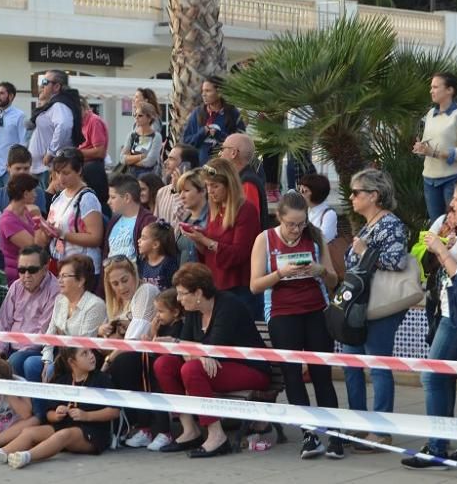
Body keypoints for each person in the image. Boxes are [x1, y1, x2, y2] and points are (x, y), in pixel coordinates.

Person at [401, 174, 457, 470]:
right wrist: (447, 247)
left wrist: (441, 250)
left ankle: (438, 446)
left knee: (433, 376)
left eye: (455, 199)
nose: (451, 203)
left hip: (455, 316)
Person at [249, 191, 343, 460]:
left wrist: (320, 271)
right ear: (279, 218)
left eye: (301, 224)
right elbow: (254, 285)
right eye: (291, 224)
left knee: (322, 374)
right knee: (292, 375)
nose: (296, 230)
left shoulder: (314, 237)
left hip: (315, 309)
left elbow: (333, 281)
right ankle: (309, 435)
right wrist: (280, 273)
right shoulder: (265, 240)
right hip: (281, 311)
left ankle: (336, 435)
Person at [153, 263, 271, 457]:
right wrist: (185, 347)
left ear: (198, 292)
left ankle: (217, 436)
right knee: (163, 364)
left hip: (250, 368)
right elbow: (187, 343)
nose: (178, 299)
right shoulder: (193, 309)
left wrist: (191, 350)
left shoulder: (229, 305)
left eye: (183, 293)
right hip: (214, 364)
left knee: (191, 369)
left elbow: (214, 347)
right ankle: (190, 429)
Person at [341, 168, 410, 450]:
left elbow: (398, 261)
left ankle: (381, 430)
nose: (351, 197)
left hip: (380, 305)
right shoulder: (369, 225)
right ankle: (359, 424)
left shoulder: (390, 224)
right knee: (351, 363)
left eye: (356, 192)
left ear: (374, 195)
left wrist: (363, 252)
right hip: (360, 304)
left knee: (378, 365)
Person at [0, 346, 119, 469]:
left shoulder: (101, 379)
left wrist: (86, 416)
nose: (92, 356)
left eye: (90, 351)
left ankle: (26, 456)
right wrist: (57, 413)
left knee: (63, 435)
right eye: (85, 353)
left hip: (93, 431)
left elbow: (115, 411)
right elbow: (48, 414)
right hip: (64, 424)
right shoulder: (62, 380)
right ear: (72, 362)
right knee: (29, 432)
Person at [20, 255, 107, 420]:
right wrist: (47, 360)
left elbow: (81, 344)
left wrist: (61, 342)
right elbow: (50, 334)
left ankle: (43, 417)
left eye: (65, 276)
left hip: (80, 360)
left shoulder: (95, 305)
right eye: (59, 276)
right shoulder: (60, 300)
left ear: (81, 281)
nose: (59, 280)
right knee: (18, 359)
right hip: (59, 354)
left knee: (31, 364)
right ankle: (30, 415)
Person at [180, 158, 260, 311]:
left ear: (229, 185)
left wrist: (205, 240)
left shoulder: (245, 210)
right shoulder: (215, 209)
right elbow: (210, 249)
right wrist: (198, 239)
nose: (210, 191)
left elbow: (240, 252)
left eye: (215, 186)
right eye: (208, 186)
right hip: (217, 284)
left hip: (238, 287)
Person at [110, 288, 185, 451]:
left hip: (166, 374)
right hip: (150, 371)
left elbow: (170, 348)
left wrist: (154, 340)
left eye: (161, 311)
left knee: (159, 398)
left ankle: (165, 432)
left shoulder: (179, 326)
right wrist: (150, 333)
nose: (157, 315)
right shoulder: (161, 325)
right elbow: (153, 341)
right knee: (144, 393)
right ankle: (146, 430)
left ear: (176, 312)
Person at [413, 72, 457, 222]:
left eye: (435, 87)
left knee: (455, 225)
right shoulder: (430, 114)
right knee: (437, 226)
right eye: (431, 87)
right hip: (429, 179)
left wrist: (434, 153)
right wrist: (421, 148)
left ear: (450, 90)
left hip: (454, 179)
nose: (431, 91)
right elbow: (430, 144)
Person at [39, 148, 105, 276]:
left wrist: (63, 234)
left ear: (79, 170)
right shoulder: (58, 197)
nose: (61, 178)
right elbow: (46, 237)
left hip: (81, 269)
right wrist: (46, 231)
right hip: (60, 264)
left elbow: (96, 238)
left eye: (66, 173)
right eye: (57, 173)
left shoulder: (87, 198)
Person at [0, 245, 58, 376]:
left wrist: (15, 353)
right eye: (22, 270)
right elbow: (4, 323)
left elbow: (44, 332)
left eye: (32, 270)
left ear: (45, 269)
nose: (26, 275)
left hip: (37, 349)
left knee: (16, 361)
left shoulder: (55, 290)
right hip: (11, 348)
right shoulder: (16, 286)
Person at [28, 69, 84, 186]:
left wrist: (50, 152)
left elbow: (64, 126)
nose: (41, 86)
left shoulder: (59, 105)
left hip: (49, 169)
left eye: (44, 82)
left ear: (57, 86)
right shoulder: (53, 105)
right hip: (41, 168)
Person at [181, 76, 245, 164]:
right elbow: (186, 142)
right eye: (203, 91)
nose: (203, 94)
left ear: (219, 93)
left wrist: (218, 134)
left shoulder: (233, 113)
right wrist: (202, 132)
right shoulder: (197, 113)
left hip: (225, 168)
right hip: (200, 169)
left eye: (208, 91)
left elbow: (240, 143)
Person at [99, 255, 159, 345]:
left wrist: (109, 359)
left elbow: (133, 338)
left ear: (134, 274)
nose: (121, 287)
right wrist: (102, 331)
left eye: (125, 280)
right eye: (115, 284)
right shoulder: (116, 302)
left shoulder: (146, 290)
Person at [219, 132, 270, 230]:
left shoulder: (247, 182)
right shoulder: (241, 179)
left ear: (233, 153)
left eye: (223, 149)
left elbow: (249, 223)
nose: (220, 154)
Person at [0, 174, 39, 283]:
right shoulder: (8, 221)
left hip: (30, 269)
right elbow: (34, 247)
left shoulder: (25, 212)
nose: (36, 194)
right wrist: (41, 225)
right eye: (33, 191)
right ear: (25, 194)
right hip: (18, 275)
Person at [104, 173, 157, 261]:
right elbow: (106, 253)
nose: (108, 202)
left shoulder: (148, 222)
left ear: (127, 198)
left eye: (113, 197)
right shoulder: (113, 221)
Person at [0, 81, 28, 189]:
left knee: (10, 199)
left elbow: (23, 143)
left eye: (1, 93)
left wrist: (16, 165)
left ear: (10, 96)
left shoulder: (19, 116)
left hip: (9, 168)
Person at [0, 145, 48, 215]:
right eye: (18, 168)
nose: (22, 172)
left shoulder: (38, 193)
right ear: (8, 167)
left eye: (26, 168)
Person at [77, 96, 110, 208]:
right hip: (85, 165)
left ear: (83, 108)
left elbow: (99, 152)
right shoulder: (81, 122)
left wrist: (77, 153)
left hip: (93, 167)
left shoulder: (94, 121)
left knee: (97, 203)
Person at [154, 144, 198, 223]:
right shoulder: (161, 192)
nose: (165, 162)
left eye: (171, 159)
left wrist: (176, 191)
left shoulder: (197, 193)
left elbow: (186, 220)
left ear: (185, 166)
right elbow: (156, 225)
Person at [174, 169, 209, 265]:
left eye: (186, 191)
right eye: (180, 191)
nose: (181, 196)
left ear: (202, 191)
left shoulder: (211, 219)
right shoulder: (185, 219)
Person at [120, 102, 163, 177]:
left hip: (148, 176)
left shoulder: (156, 136)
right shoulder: (132, 135)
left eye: (140, 115)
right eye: (135, 115)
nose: (136, 117)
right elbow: (122, 158)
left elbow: (150, 161)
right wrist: (141, 156)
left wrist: (130, 160)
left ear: (149, 118)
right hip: (130, 175)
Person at [137, 221, 179, 290]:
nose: (139, 240)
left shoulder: (168, 264)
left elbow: (172, 289)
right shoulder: (142, 261)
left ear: (155, 244)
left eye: (143, 238)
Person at [298, 173, 338, 242]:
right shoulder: (307, 210)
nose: (300, 194)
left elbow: (324, 239)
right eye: (299, 189)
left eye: (304, 191)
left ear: (315, 192)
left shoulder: (329, 214)